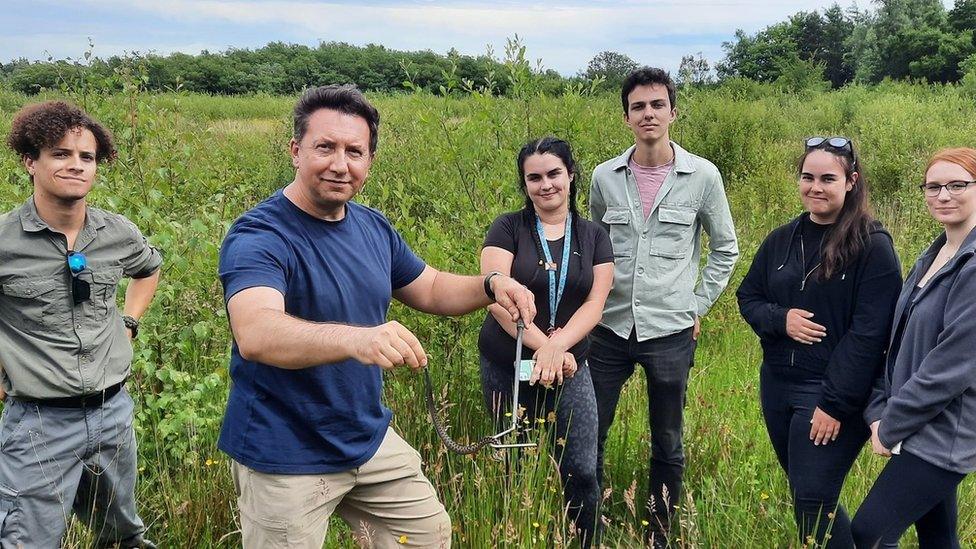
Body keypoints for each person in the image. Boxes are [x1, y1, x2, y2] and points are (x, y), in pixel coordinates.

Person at [218, 84, 535, 549]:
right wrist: (357, 340)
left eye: (355, 151)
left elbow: (428, 286)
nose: (340, 164)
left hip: (364, 436)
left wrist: (490, 286)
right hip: (284, 451)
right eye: (325, 147)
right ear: (295, 150)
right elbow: (257, 332)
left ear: (369, 160)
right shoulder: (260, 234)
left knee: (427, 535)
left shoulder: (371, 226)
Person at [0, 101, 162, 547]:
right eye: (60, 153)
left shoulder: (117, 233)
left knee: (122, 533)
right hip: (39, 423)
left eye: (86, 157)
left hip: (113, 413)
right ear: (30, 162)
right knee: (27, 541)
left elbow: (149, 268)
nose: (76, 165)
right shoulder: (5, 242)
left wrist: (129, 320)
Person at [588, 67, 739, 544]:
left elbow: (725, 248)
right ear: (626, 117)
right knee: (590, 432)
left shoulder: (703, 176)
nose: (648, 114)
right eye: (638, 107)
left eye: (657, 105)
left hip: (671, 330)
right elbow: (594, 248)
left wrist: (696, 306)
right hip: (608, 329)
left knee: (668, 440)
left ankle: (659, 531)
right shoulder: (604, 178)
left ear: (673, 112)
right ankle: (584, 525)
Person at [736, 137, 902, 548]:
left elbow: (869, 336)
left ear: (851, 182)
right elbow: (749, 296)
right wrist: (781, 319)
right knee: (809, 495)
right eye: (807, 177)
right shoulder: (783, 239)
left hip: (829, 393)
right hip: (777, 385)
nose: (816, 187)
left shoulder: (872, 247)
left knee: (812, 497)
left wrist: (834, 403)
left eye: (828, 178)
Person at [479, 137, 614, 547]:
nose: (545, 185)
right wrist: (545, 347)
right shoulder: (507, 228)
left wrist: (561, 348)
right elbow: (496, 298)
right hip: (509, 361)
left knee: (582, 468)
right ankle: (520, 536)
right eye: (533, 177)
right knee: (514, 464)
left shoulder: (594, 236)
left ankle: (585, 539)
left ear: (571, 175)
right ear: (525, 184)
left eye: (554, 174)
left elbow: (596, 302)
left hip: (572, 364)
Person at [852, 147, 976, 549]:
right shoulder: (935, 254)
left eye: (958, 185)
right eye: (933, 186)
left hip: (945, 432)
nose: (944, 195)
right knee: (938, 537)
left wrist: (891, 426)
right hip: (917, 422)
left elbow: (952, 366)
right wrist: (878, 407)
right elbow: (899, 341)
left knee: (870, 533)